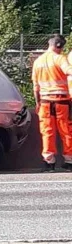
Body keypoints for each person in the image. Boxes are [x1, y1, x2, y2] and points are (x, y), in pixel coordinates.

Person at [32, 34, 72, 171]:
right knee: (66, 131)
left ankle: (49, 162)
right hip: (62, 101)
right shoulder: (60, 59)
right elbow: (69, 72)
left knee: (47, 132)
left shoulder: (38, 61)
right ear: (60, 46)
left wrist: (37, 103)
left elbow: (35, 87)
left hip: (44, 102)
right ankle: (69, 160)